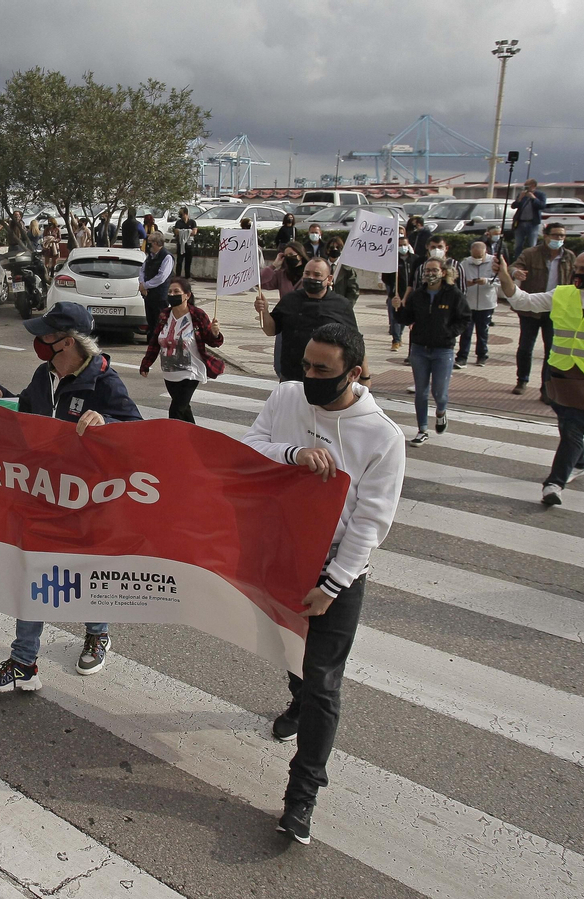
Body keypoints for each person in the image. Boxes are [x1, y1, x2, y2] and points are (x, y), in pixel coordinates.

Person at [242, 323, 405, 846]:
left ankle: (302, 795)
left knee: (325, 684)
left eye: (322, 370)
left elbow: (370, 525)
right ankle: (296, 699)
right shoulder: (288, 396)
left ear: (354, 373)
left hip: (336, 574)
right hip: (280, 558)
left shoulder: (382, 436)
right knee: (292, 657)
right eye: (306, 365)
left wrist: (332, 586)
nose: (308, 376)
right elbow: (249, 447)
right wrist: (292, 454)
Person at [0, 302, 140, 691]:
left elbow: (137, 432)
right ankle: (23, 662)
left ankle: (97, 633)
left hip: (87, 500)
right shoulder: (43, 374)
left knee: (84, 571)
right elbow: (30, 410)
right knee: (34, 572)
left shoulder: (105, 383)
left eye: (45, 336)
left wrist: (108, 422)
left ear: (66, 343)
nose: (37, 341)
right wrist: (1, 393)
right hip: (44, 492)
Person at [497, 250, 584, 507]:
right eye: (576, 267)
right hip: (560, 374)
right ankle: (579, 462)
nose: (578, 273)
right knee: (568, 425)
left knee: (573, 427)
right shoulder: (561, 293)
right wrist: (505, 275)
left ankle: (554, 484)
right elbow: (522, 301)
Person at [256, 257, 369, 385]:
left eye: (317, 275)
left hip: (325, 379)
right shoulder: (290, 299)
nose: (311, 278)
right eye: (307, 273)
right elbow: (271, 330)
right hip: (291, 377)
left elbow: (356, 343)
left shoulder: (341, 305)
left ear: (329, 279)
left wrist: (365, 377)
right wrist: (264, 312)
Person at [392, 255, 468, 445]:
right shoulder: (418, 295)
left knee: (439, 392)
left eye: (434, 270)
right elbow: (406, 319)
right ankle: (422, 429)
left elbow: (465, 318)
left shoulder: (453, 294)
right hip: (419, 349)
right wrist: (397, 309)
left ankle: (441, 411)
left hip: (443, 351)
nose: (430, 274)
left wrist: (450, 333)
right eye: (427, 270)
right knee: (421, 392)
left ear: (443, 272)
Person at [139, 278, 224, 422]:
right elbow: (155, 341)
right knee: (184, 410)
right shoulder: (164, 315)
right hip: (170, 372)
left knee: (176, 410)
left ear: (187, 295)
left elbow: (212, 341)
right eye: (170, 292)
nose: (172, 295)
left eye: (177, 292)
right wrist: (146, 363)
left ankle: (174, 441)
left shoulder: (197, 315)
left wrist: (215, 333)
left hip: (191, 371)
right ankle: (195, 439)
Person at [511, 223, 575, 397]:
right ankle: (522, 380)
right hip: (532, 307)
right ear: (545, 236)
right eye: (555, 235)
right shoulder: (531, 253)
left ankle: (547, 387)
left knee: (552, 350)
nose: (559, 239)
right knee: (525, 347)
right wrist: (516, 273)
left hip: (556, 308)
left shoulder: (569, 257)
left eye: (562, 236)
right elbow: (514, 266)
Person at [456, 240, 498, 368]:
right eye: (474, 256)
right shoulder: (465, 263)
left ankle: (482, 355)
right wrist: (466, 283)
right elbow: (458, 279)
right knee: (466, 332)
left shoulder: (494, 262)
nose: (477, 259)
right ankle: (462, 357)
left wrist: (486, 281)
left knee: (482, 331)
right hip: (469, 303)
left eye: (479, 256)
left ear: (486, 252)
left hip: (486, 303)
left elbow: (500, 281)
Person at [137, 231, 175, 341]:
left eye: (150, 242)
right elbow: (142, 270)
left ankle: (159, 342)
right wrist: (142, 284)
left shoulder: (166, 257)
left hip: (159, 296)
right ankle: (151, 342)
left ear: (156, 243)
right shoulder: (150, 256)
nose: (148, 244)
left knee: (160, 321)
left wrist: (146, 285)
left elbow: (161, 277)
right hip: (148, 294)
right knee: (151, 320)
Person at [383, 231, 412, 351]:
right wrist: (393, 289)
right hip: (396, 294)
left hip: (410, 294)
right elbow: (386, 277)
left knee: (405, 317)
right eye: (400, 245)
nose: (402, 247)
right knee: (395, 316)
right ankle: (396, 340)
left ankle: (399, 335)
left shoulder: (414, 259)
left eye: (404, 245)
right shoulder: (392, 260)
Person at [511, 179, 547, 250]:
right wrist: (520, 198)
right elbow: (514, 206)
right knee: (518, 245)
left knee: (532, 245)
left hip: (532, 223)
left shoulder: (540, 194)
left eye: (527, 186)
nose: (525, 188)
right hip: (520, 222)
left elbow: (542, 206)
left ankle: (531, 259)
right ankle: (518, 259)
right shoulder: (522, 194)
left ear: (533, 186)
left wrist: (533, 198)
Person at [322, 236, 358, 305]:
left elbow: (353, 290)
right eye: (332, 248)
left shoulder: (347, 269)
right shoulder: (321, 266)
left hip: (340, 304)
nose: (335, 249)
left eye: (338, 248)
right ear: (327, 249)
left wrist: (347, 305)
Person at [173, 207, 196, 279]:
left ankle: (187, 276)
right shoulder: (178, 222)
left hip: (189, 244)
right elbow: (177, 232)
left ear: (186, 214)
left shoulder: (192, 222)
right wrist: (188, 231)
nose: (181, 216)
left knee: (188, 261)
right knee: (179, 261)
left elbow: (194, 232)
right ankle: (178, 276)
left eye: (182, 214)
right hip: (181, 244)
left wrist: (183, 231)